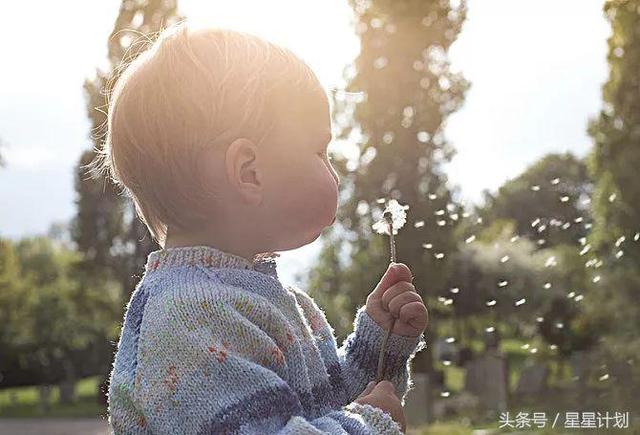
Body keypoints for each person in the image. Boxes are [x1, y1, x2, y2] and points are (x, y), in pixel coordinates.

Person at [96, 20, 428, 434]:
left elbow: (321, 407)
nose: (335, 174)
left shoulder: (272, 301)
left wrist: (378, 348)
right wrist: (369, 425)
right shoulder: (190, 317)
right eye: (320, 151)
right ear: (248, 172)